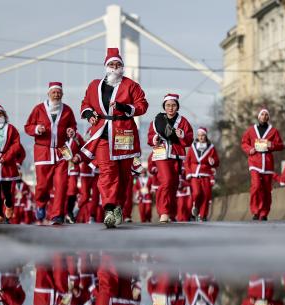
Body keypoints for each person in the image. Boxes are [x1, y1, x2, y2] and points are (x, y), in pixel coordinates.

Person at [79, 48, 149, 228]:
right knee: (107, 172)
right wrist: (89, 115)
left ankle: (118, 204)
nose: (114, 67)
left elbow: (142, 105)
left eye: (118, 64)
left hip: (124, 132)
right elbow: (86, 103)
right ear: (106, 66)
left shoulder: (131, 85)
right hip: (102, 132)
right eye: (111, 64)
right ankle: (109, 208)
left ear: (122, 67)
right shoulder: (94, 85)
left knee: (124, 176)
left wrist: (125, 107)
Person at [24, 82, 79, 225]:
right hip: (43, 152)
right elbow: (27, 127)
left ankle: (57, 215)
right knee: (43, 185)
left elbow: (73, 125)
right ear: (48, 94)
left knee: (61, 185)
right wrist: (36, 129)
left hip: (61, 151)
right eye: (54, 92)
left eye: (59, 92)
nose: (56, 95)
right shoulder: (38, 109)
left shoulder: (67, 110)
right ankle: (41, 204)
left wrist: (71, 131)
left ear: (62, 94)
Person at [147, 94, 194, 223]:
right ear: (164, 106)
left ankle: (171, 212)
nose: (170, 108)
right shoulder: (157, 121)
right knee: (166, 181)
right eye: (168, 105)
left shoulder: (183, 121)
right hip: (161, 154)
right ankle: (163, 211)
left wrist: (183, 135)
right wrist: (154, 139)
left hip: (177, 155)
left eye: (173, 105)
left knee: (173, 184)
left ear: (177, 107)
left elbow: (189, 140)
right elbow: (150, 136)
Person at [241, 108, 284, 220]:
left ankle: (264, 212)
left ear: (268, 117)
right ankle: (255, 211)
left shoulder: (273, 131)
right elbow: (244, 142)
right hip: (255, 161)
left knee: (266, 189)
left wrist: (271, 145)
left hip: (267, 163)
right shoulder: (251, 130)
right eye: (262, 114)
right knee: (256, 186)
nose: (264, 116)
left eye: (266, 115)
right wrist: (249, 149)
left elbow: (280, 145)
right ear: (258, 117)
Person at [185, 127, 219, 221]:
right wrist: (188, 173)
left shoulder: (211, 147)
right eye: (199, 135)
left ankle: (203, 215)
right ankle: (195, 205)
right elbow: (187, 161)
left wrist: (213, 161)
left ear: (206, 136)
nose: (201, 137)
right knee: (196, 193)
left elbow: (217, 161)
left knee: (206, 195)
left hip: (206, 174)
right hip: (194, 174)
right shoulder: (193, 147)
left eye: (203, 135)